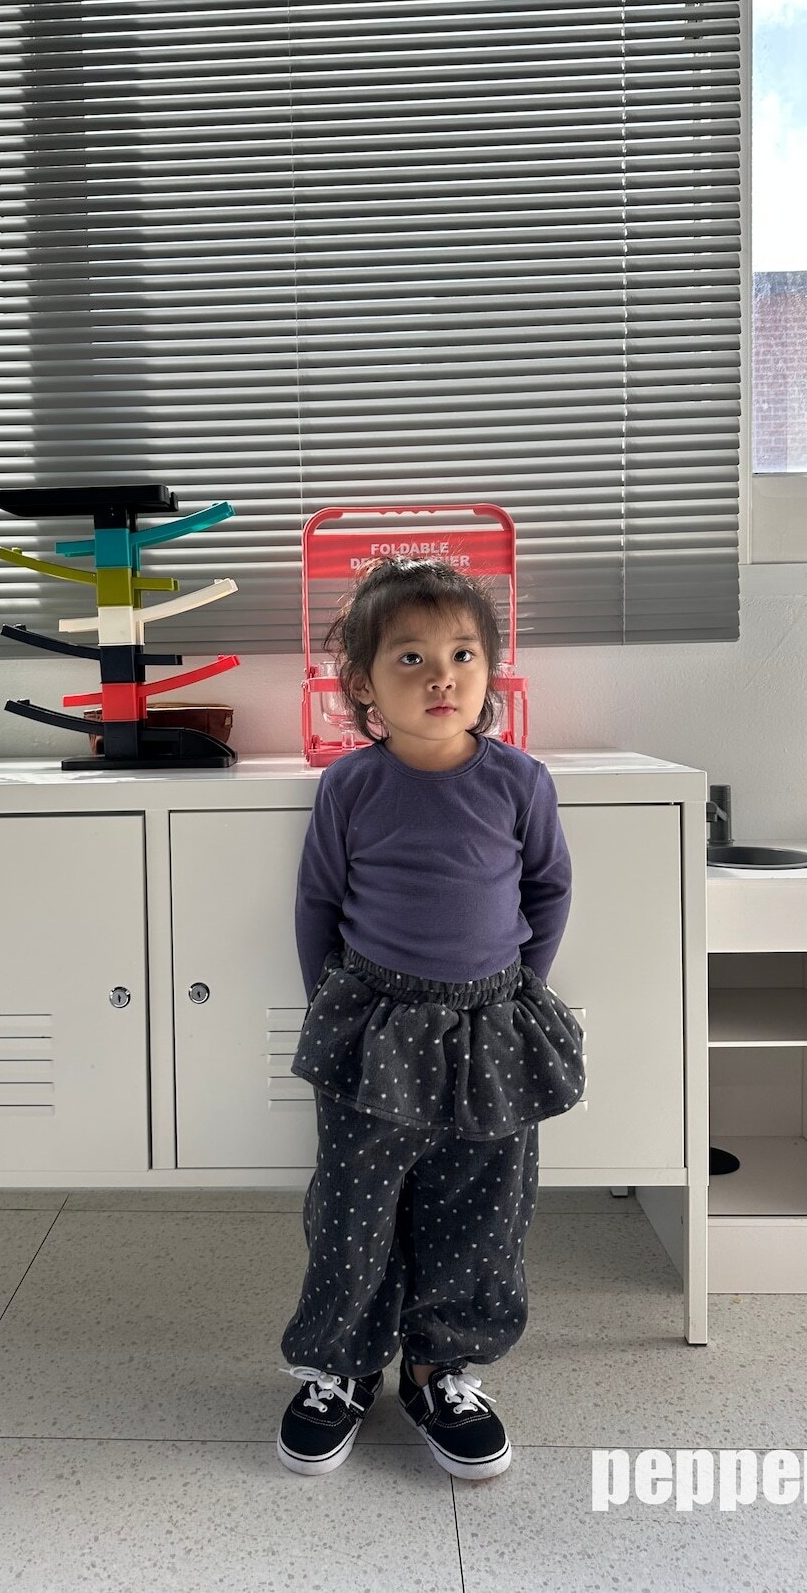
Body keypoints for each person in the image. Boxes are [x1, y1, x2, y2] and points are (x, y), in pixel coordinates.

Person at [276, 554, 585, 1482]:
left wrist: (519, 989)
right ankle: (341, 1366)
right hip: (376, 1025)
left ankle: (439, 1367)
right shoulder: (352, 787)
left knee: (483, 1205)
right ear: (364, 685)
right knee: (354, 1207)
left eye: (462, 654)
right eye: (410, 657)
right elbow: (317, 903)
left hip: (493, 1024)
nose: (441, 675)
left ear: (490, 672)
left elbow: (548, 889)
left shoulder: (520, 781)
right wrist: (333, 1007)